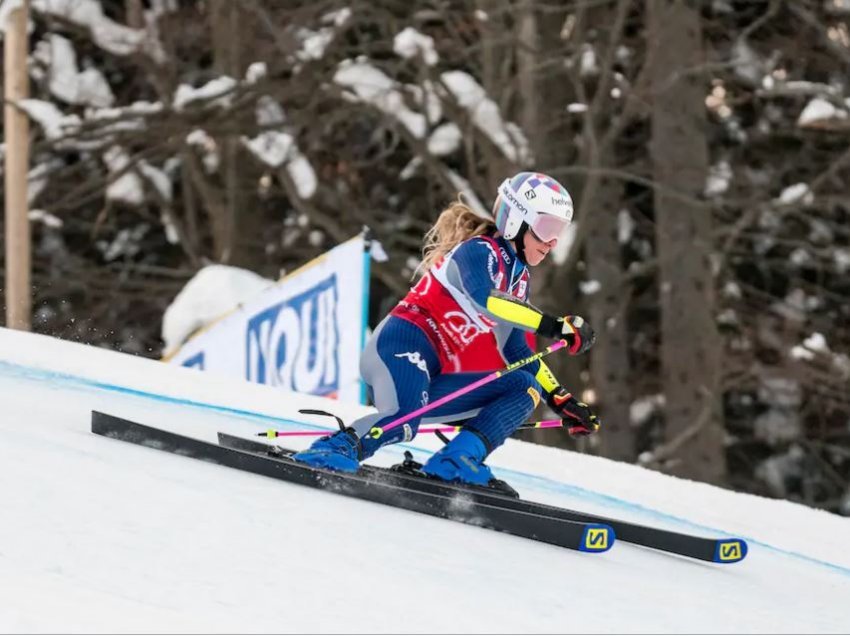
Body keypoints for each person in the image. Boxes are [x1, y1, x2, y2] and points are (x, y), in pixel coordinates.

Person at [293, 172, 601, 490]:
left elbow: (517, 352)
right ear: (516, 220)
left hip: (433, 375)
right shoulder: (479, 252)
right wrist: (553, 326)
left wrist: (562, 400)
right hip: (399, 347)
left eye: (559, 232)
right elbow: (486, 300)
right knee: (405, 417)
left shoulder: (518, 279)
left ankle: (456, 460)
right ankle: (336, 447)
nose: (552, 242)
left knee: (523, 386)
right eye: (546, 228)